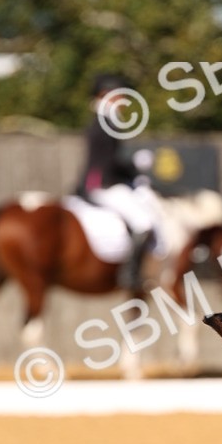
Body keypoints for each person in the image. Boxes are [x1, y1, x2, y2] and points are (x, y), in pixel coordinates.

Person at [77, 73, 157, 292]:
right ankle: (130, 274)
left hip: (105, 181)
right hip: (103, 184)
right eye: (119, 95)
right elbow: (107, 161)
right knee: (144, 222)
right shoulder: (105, 122)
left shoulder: (107, 121)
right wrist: (134, 165)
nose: (124, 101)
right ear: (105, 95)